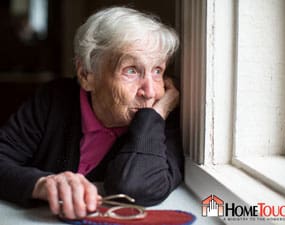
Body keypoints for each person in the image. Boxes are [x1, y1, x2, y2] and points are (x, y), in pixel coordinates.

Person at [0, 6, 183, 220]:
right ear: (87, 75)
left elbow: (134, 188)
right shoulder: (53, 100)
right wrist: (42, 184)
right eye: (131, 70)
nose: (150, 92)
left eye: (157, 71)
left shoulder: (162, 122)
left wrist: (155, 116)